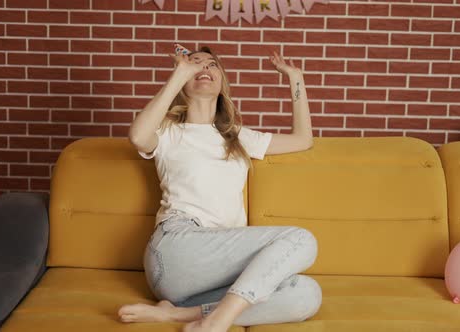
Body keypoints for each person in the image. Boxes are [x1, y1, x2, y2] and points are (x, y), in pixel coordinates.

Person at [120, 44, 320, 332]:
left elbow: (303, 139)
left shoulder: (237, 137)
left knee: (305, 294)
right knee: (301, 239)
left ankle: (179, 315)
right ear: (183, 79)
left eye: (212, 65)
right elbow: (138, 137)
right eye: (196, 63)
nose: (204, 68)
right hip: (177, 249)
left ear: (222, 82)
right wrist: (179, 73)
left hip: (215, 274)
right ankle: (215, 324)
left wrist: (295, 78)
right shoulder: (166, 131)